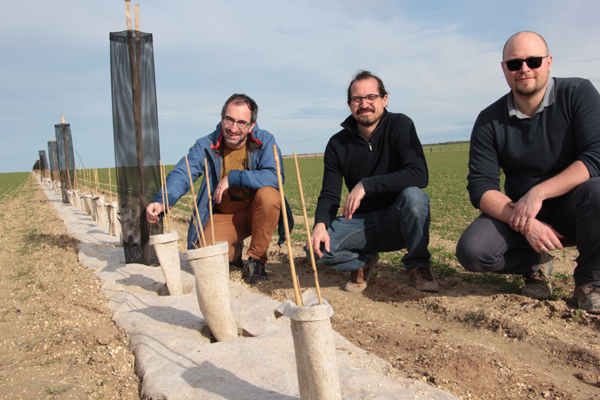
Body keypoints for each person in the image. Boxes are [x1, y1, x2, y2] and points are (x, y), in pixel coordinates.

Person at [456, 31, 600, 313]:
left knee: (599, 191)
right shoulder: (489, 120)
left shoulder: (578, 94)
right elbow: (481, 186)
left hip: (577, 209)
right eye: (514, 63)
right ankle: (535, 263)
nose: (524, 69)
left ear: (548, 62)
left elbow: (596, 156)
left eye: (533, 61)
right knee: (472, 251)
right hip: (520, 214)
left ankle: (590, 281)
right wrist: (524, 221)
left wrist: (539, 193)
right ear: (504, 69)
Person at [308, 70, 437, 293]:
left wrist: (367, 184)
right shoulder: (337, 144)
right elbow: (329, 194)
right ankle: (363, 260)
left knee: (414, 197)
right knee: (318, 250)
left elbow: (419, 174)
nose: (364, 104)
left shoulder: (400, 125)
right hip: (359, 223)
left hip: (396, 218)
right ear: (349, 105)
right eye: (357, 99)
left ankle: (418, 264)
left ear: (384, 99)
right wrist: (319, 225)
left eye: (371, 97)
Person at [146, 94, 293, 284]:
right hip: (224, 217)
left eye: (242, 123)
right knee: (209, 260)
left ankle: (256, 259)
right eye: (229, 120)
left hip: (255, 213)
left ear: (252, 126)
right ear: (222, 117)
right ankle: (234, 253)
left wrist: (233, 178)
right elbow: (184, 173)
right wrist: (162, 201)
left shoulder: (264, 141)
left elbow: (275, 177)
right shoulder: (205, 146)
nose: (233, 128)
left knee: (270, 196)